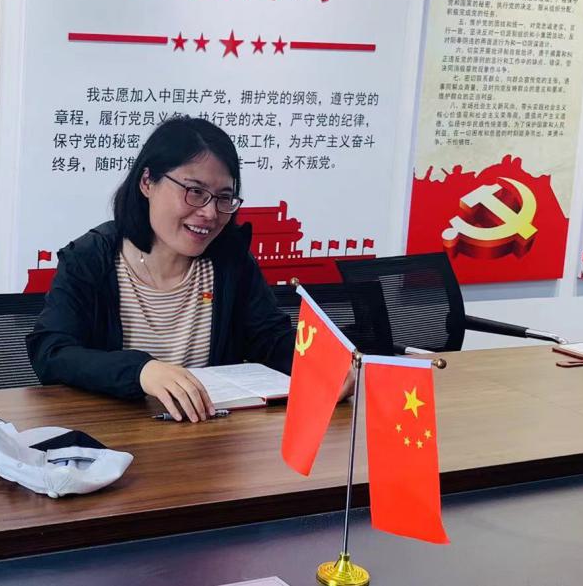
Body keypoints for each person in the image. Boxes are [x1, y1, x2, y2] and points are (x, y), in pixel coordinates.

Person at [28, 117, 351, 421]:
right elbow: (52, 353)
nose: (210, 213)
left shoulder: (230, 261)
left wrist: (320, 363)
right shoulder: (91, 258)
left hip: (208, 438)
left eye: (224, 197)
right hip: (111, 436)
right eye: (195, 192)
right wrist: (141, 371)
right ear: (147, 182)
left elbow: (269, 338)